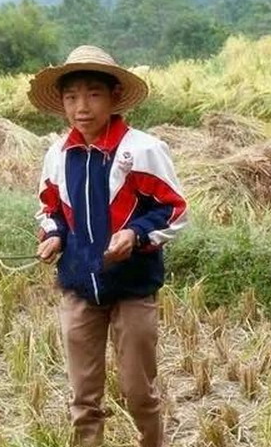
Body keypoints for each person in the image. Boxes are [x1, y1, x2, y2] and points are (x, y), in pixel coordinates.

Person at [29, 45, 188, 447]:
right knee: (83, 398)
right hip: (79, 288)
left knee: (139, 392)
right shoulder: (58, 155)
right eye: (71, 96)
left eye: (93, 94)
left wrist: (135, 234)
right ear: (62, 102)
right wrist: (52, 236)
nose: (81, 107)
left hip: (132, 288)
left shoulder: (142, 150)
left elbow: (173, 209)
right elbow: (51, 209)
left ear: (114, 96)